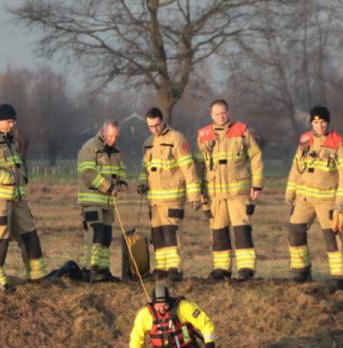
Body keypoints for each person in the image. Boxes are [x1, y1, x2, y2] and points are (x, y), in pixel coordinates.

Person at [0, 103, 49, 291]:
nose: (12, 125)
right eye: (9, 121)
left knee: (29, 233)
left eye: (14, 121)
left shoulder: (9, 140)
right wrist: (7, 178)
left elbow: (17, 164)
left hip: (17, 200)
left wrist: (22, 177)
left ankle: (37, 276)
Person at [284, 106, 343, 291]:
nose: (319, 126)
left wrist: (340, 203)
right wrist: (290, 192)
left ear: (328, 123)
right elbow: (296, 168)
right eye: (315, 122)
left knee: (331, 238)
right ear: (311, 123)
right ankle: (301, 271)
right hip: (305, 198)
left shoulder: (338, 143)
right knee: (295, 231)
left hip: (328, 200)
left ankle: (338, 277)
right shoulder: (305, 141)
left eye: (322, 122)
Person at [196, 99, 264, 280]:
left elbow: (256, 157)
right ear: (211, 115)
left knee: (241, 230)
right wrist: (202, 195)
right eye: (217, 114)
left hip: (238, 193)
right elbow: (200, 167)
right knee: (218, 231)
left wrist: (257, 184)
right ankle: (221, 268)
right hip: (215, 194)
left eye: (223, 113)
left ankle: (246, 268)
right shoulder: (203, 135)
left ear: (228, 112)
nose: (221, 116)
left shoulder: (242, 131)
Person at [137, 108, 202, 282]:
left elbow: (188, 168)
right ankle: (161, 267)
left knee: (171, 232)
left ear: (163, 120)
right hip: (155, 199)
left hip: (173, 196)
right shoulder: (148, 143)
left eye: (157, 125)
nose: (154, 129)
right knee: (157, 234)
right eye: (150, 126)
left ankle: (175, 268)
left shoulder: (177, 139)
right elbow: (145, 168)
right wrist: (142, 182)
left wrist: (194, 195)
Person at [76, 119, 128, 281]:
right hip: (92, 201)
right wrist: (108, 187)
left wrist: (122, 182)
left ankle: (103, 270)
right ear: (103, 132)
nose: (113, 140)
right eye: (111, 136)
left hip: (108, 203)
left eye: (116, 136)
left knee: (106, 236)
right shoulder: (90, 147)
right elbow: (88, 173)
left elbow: (120, 169)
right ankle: (90, 270)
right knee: (95, 235)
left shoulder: (116, 152)